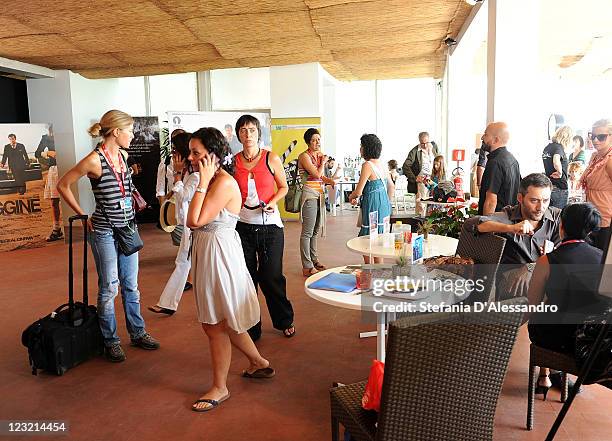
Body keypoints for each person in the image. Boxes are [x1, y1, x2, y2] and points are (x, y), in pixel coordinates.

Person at [56, 110, 159, 363]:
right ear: (116, 132)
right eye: (130, 131)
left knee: (131, 286)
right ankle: (110, 340)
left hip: (128, 228)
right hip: (104, 231)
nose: (133, 136)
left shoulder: (123, 157)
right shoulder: (94, 160)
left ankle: (137, 332)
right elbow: (63, 184)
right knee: (109, 287)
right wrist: (83, 216)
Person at [186, 127, 274, 412]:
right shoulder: (212, 180)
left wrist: (202, 182)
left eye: (196, 153)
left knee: (214, 324)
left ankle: (220, 387)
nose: (190, 158)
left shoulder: (221, 183)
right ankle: (259, 362)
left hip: (218, 253)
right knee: (224, 319)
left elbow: (194, 220)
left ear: (212, 155)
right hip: (211, 251)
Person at [526, 203, 605, 398]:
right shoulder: (603, 258)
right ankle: (556, 376)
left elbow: (531, 307)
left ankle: (545, 374)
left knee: (546, 311)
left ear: (562, 226)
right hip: (590, 340)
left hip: (554, 339)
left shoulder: (548, 261)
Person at [233, 114, 295, 341]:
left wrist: (272, 202)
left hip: (270, 228)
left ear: (258, 133)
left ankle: (284, 320)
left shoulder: (271, 158)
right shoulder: (234, 162)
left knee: (271, 277)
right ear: (238, 134)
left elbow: (284, 187)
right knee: (247, 279)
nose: (247, 134)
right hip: (242, 228)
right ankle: (252, 326)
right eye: (243, 130)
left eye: (251, 130)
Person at [477, 173, 561, 299]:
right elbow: (476, 225)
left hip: (545, 271)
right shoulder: (508, 216)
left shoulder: (556, 217)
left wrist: (531, 267)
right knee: (524, 285)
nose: (540, 207)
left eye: (545, 200)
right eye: (534, 200)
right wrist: (511, 228)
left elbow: (563, 251)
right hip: (512, 275)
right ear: (520, 198)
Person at [149, 132, 196, 316]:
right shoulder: (179, 168)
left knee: (187, 262)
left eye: (176, 149)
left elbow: (184, 195)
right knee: (182, 262)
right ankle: (167, 303)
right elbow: (166, 191)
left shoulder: (195, 172)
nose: (173, 152)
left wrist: (177, 176)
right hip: (186, 224)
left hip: (197, 226)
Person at [349, 134, 394, 264]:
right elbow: (391, 186)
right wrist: (386, 202)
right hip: (384, 205)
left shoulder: (367, 165)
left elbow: (358, 191)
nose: (360, 149)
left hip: (373, 205)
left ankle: (370, 272)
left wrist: (352, 197)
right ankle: (380, 272)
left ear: (366, 148)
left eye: (361, 146)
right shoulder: (383, 165)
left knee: (367, 239)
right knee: (379, 240)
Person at [298, 128, 336, 276]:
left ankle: (313, 259)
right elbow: (316, 174)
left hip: (320, 194)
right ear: (308, 142)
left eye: (319, 139)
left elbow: (321, 178)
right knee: (307, 232)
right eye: (314, 140)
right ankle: (306, 266)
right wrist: (324, 162)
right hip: (309, 195)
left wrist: (331, 181)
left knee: (315, 230)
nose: (317, 142)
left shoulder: (319, 156)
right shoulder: (304, 156)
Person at [581, 119, 612, 252]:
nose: (595, 140)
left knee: (601, 258)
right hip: (592, 213)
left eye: (601, 137)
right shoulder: (595, 156)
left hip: (605, 217)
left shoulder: (609, 160)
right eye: (592, 136)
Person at [478, 122, 521, 215]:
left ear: (495, 140)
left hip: (496, 222)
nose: (482, 138)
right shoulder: (513, 159)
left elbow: (490, 202)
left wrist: (486, 226)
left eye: (486, 135)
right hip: (509, 218)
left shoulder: (495, 163)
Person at [35, 126, 63, 241]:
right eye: (50, 129)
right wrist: (48, 153)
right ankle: (57, 230)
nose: (51, 131)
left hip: (69, 166)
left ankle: (79, 228)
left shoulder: (66, 135)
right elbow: (37, 153)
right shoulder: (45, 138)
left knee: (72, 198)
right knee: (54, 200)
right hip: (55, 169)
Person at [542, 125, 573, 209]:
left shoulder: (547, 147)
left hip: (550, 186)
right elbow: (556, 159)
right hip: (560, 188)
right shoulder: (559, 148)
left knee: (550, 216)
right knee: (558, 216)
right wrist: (559, 172)